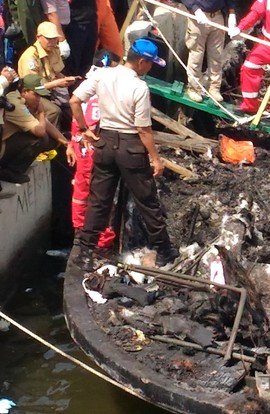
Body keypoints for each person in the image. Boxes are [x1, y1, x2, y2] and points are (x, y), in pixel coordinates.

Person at [71, 39, 178, 267]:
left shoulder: (102, 75)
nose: (150, 69)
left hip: (105, 143)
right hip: (130, 147)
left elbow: (74, 100)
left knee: (99, 200)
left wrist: (84, 129)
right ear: (141, 62)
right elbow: (143, 129)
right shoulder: (139, 88)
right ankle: (164, 249)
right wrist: (155, 158)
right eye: (150, 64)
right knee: (147, 200)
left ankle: (85, 251)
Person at [69, 49, 120, 248]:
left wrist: (71, 144)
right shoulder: (107, 88)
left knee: (81, 193)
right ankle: (103, 240)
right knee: (103, 197)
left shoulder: (85, 86)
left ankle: (80, 230)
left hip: (82, 147)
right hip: (98, 150)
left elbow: (76, 122)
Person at [0, 72, 75, 184]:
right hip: (3, 146)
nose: (39, 99)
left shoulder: (23, 99)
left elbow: (47, 124)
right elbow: (40, 132)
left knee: (54, 139)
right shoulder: (16, 103)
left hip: (9, 142)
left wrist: (67, 143)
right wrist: (41, 113)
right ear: (25, 91)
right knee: (41, 139)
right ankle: (11, 171)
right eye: (36, 95)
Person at [17, 21, 77, 120]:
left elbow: (55, 72)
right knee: (54, 111)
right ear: (38, 37)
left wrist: (67, 79)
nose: (52, 42)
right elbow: (32, 89)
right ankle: (42, 133)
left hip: (51, 88)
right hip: (34, 94)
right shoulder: (30, 57)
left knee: (71, 103)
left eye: (55, 38)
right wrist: (57, 83)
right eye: (48, 39)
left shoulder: (54, 49)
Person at [182, 0, 236, 102]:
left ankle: (214, 88)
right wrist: (195, 9)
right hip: (198, 16)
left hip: (217, 15)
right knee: (196, 54)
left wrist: (232, 13)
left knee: (217, 54)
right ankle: (194, 88)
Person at [65, 0, 99, 77]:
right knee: (73, 62)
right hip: (75, 24)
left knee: (87, 63)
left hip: (91, 21)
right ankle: (71, 86)